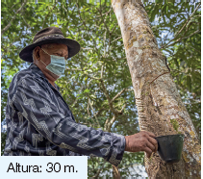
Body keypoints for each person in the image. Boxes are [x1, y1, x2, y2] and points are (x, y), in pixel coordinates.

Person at [3, 27, 158, 167]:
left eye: (65, 57)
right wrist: (124, 142)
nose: (63, 61)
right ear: (37, 53)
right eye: (58, 55)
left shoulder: (52, 89)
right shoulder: (26, 80)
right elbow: (58, 129)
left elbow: (68, 140)